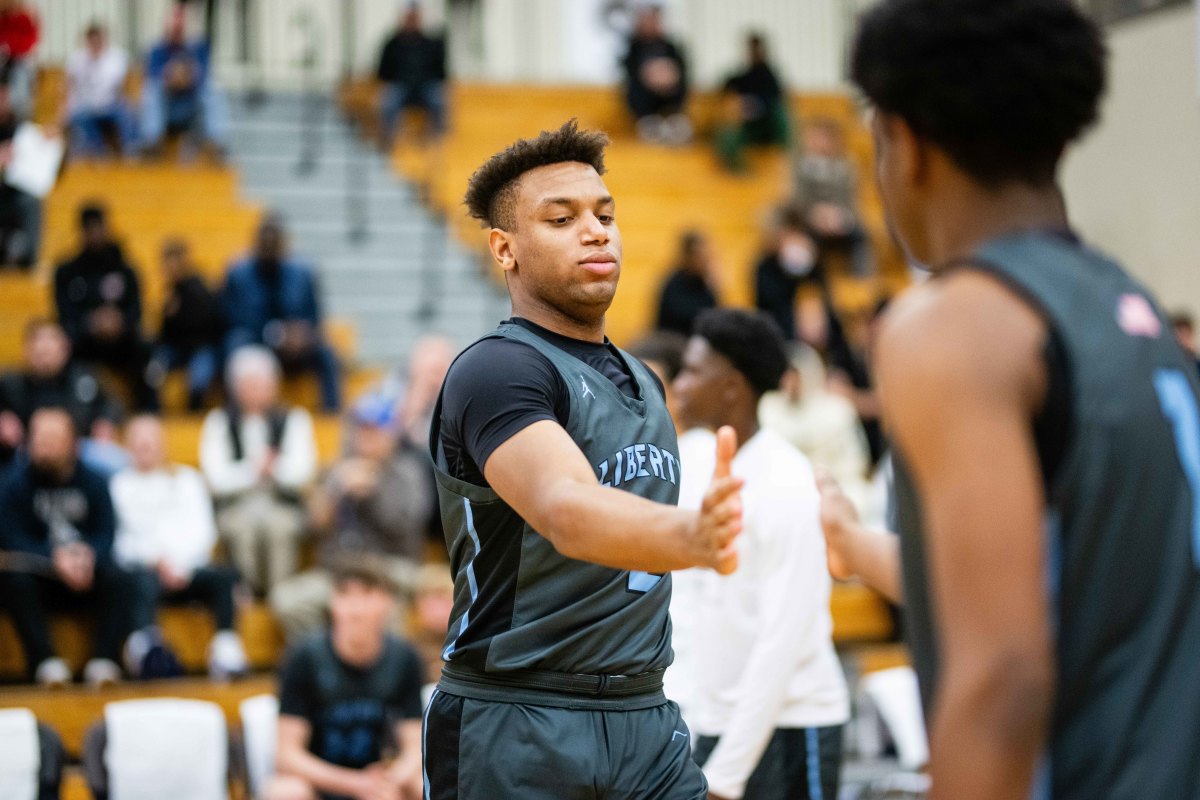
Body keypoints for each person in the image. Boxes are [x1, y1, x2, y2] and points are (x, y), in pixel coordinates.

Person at [822, 2, 1200, 797]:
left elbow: (1002, 673)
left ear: (907, 144)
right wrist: (854, 546)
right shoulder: (1134, 313)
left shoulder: (953, 325)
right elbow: (1078, 588)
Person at [424, 120, 743, 799]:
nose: (596, 231)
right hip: (517, 718)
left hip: (645, 714)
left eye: (605, 215)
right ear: (504, 249)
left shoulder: (644, 379)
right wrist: (692, 535)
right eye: (562, 219)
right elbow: (565, 510)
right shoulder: (498, 370)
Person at [671, 309, 848, 800]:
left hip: (791, 725)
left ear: (731, 387)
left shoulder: (789, 483)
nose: (680, 386)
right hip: (714, 721)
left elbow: (781, 642)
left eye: (691, 371)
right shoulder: (694, 460)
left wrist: (728, 772)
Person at [270, 393, 433, 642]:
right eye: (361, 429)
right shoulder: (335, 470)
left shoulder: (408, 473)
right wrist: (336, 492)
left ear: (391, 434)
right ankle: (330, 657)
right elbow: (314, 526)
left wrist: (373, 493)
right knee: (288, 601)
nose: (366, 437)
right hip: (339, 571)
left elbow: (405, 527)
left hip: (390, 568)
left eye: (375, 430)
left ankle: (384, 672)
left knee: (384, 610)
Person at [0, 407, 143, 687]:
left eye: (52, 438)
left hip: (84, 575)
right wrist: (53, 558)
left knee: (123, 577)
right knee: (13, 580)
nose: (43, 445)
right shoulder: (13, 483)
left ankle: (104, 660)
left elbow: (107, 534)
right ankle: (45, 662)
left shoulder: (95, 482)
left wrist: (87, 555)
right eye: (38, 437)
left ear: (73, 443)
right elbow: (10, 537)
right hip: (40, 577)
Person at [265, 558, 425, 800]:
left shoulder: (405, 658)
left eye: (367, 594)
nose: (355, 607)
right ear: (332, 603)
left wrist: (389, 780)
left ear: (388, 603)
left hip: (379, 779)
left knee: (419, 784)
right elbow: (286, 755)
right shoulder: (304, 657)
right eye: (345, 595)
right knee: (285, 792)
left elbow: (415, 746)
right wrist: (354, 784)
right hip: (321, 781)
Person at [112, 414, 248, 680]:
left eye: (150, 441)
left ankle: (225, 648)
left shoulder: (188, 480)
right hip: (146, 571)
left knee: (226, 577)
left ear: (163, 444)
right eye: (138, 442)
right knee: (135, 583)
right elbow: (120, 542)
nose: (145, 448)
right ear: (127, 447)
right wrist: (155, 560)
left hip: (188, 568)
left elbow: (204, 532)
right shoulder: (118, 486)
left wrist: (180, 564)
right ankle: (148, 651)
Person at [200, 346, 316, 597]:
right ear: (235, 387)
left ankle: (280, 595)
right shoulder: (219, 420)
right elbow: (216, 478)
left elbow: (304, 472)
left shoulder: (294, 418)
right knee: (243, 527)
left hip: (281, 501)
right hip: (237, 504)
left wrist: (274, 469)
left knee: (280, 528)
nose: (254, 390)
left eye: (260, 383)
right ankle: (246, 593)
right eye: (247, 383)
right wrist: (252, 471)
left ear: (274, 384)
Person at [222, 215, 341, 412]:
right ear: (256, 246)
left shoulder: (303, 274)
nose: (270, 251)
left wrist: (303, 334)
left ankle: (331, 415)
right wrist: (275, 334)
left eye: (274, 245)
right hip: (255, 342)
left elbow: (314, 318)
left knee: (327, 354)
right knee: (234, 344)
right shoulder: (238, 275)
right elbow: (232, 319)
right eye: (265, 245)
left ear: (283, 246)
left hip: (295, 347)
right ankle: (234, 414)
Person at [53, 203, 158, 411]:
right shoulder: (67, 271)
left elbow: (136, 309)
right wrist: (90, 323)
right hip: (84, 340)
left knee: (146, 352)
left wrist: (119, 322)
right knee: (61, 349)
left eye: (98, 227)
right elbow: (64, 313)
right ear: (81, 232)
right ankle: (69, 411)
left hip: (121, 339)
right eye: (89, 229)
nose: (95, 235)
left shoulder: (125, 269)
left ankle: (149, 412)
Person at [759, 343, 870, 509]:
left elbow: (855, 461)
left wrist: (827, 483)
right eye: (787, 375)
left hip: (835, 483)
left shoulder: (837, 410)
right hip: (786, 489)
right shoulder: (769, 410)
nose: (791, 382)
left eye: (795, 375)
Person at [0, 318, 122, 467]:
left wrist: (106, 421)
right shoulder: (10, 383)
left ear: (65, 350)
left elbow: (111, 404)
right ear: (27, 351)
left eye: (50, 350)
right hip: (23, 452)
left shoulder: (84, 379)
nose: (45, 357)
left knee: (115, 462)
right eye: (40, 352)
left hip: (79, 451)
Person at [139, 6, 229, 158]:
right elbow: (153, 75)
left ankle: (215, 140)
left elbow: (204, 75)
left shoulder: (199, 48)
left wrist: (188, 77)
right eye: (174, 29)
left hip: (191, 108)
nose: (177, 32)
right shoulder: (157, 50)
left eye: (180, 29)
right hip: (168, 109)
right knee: (153, 89)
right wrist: (170, 77)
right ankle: (152, 140)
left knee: (212, 89)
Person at [789, 119, 874, 277]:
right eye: (815, 138)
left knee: (861, 235)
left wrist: (840, 216)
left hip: (840, 219)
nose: (820, 143)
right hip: (809, 220)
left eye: (824, 138)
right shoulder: (800, 168)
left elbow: (851, 202)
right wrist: (816, 215)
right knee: (803, 240)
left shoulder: (846, 168)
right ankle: (813, 281)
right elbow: (797, 201)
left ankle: (862, 281)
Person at [150, 237, 225, 411]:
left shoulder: (201, 288)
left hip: (201, 348)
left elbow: (211, 325)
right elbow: (164, 336)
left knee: (200, 376)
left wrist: (180, 312)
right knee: (153, 368)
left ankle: (193, 416)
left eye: (174, 261)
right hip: (176, 348)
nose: (170, 267)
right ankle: (153, 410)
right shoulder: (169, 293)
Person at [715, 34, 790, 173]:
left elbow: (774, 101)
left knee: (782, 114)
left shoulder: (770, 77)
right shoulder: (744, 76)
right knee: (728, 133)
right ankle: (737, 171)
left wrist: (755, 107)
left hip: (767, 126)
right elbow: (727, 86)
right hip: (748, 126)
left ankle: (787, 158)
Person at [376, 4, 447, 148]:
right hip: (401, 85)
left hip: (424, 86)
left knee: (438, 100)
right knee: (388, 101)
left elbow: (440, 73)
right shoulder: (392, 44)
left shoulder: (431, 44)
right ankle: (389, 143)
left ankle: (436, 142)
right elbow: (382, 72)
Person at [622, 6, 691, 144]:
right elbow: (630, 72)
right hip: (645, 102)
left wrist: (669, 76)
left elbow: (682, 70)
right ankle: (649, 121)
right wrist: (650, 76)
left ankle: (673, 119)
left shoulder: (671, 47)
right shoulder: (634, 48)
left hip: (670, 96)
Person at [65, 22, 135, 158]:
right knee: (78, 115)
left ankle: (131, 149)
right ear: (87, 41)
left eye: (99, 40)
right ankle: (98, 151)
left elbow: (124, 88)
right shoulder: (76, 59)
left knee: (126, 112)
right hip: (87, 107)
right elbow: (68, 87)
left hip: (111, 105)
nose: (96, 44)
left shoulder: (117, 57)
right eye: (92, 41)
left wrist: (129, 102)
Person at [754, 210, 821, 339]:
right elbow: (768, 304)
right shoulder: (763, 266)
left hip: (809, 335)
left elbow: (815, 293)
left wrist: (803, 262)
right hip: (779, 333)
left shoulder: (807, 260)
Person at [0, 79, 42, 269]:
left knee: (32, 201)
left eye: (4, 97)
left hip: (13, 192)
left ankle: (29, 261)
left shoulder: (21, 128)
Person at [655, 230, 719, 337]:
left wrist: (715, 288)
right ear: (687, 256)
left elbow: (714, 314)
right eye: (699, 256)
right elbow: (682, 317)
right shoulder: (673, 283)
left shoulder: (705, 283)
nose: (704, 260)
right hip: (672, 339)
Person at [0, 0, 37, 119]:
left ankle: (20, 115)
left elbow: (31, 41)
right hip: (4, 58)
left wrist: (12, 48)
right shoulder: (3, 19)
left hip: (20, 59)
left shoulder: (24, 18)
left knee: (20, 87)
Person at [1170, 310, 1200, 378]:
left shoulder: (1196, 364)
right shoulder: (1167, 365)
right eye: (1179, 337)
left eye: (1186, 336)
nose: (1182, 341)